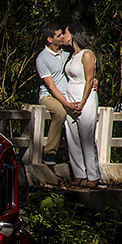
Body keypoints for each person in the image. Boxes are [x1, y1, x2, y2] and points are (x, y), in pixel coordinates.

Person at [62, 23, 104, 188]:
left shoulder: (87, 54)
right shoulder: (72, 55)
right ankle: (79, 173)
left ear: (73, 34)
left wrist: (82, 102)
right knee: (72, 137)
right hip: (70, 96)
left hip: (84, 97)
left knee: (87, 137)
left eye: (65, 33)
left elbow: (88, 79)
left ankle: (93, 175)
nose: (63, 37)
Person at [34, 22, 70, 165]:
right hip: (48, 96)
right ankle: (49, 153)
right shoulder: (42, 59)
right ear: (50, 39)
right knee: (60, 113)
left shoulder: (67, 53)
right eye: (59, 35)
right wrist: (66, 103)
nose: (62, 37)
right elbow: (51, 86)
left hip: (68, 95)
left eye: (62, 34)